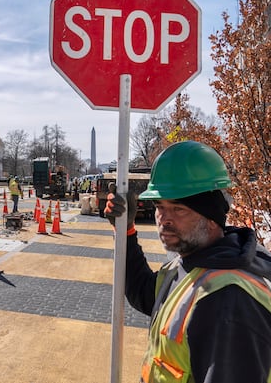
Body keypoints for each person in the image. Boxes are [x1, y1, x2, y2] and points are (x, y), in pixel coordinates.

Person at [104, 140, 271, 383]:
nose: (163, 219)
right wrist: (126, 231)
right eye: (160, 206)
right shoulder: (188, 265)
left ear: (212, 218)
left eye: (178, 209)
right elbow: (145, 294)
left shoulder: (228, 300)